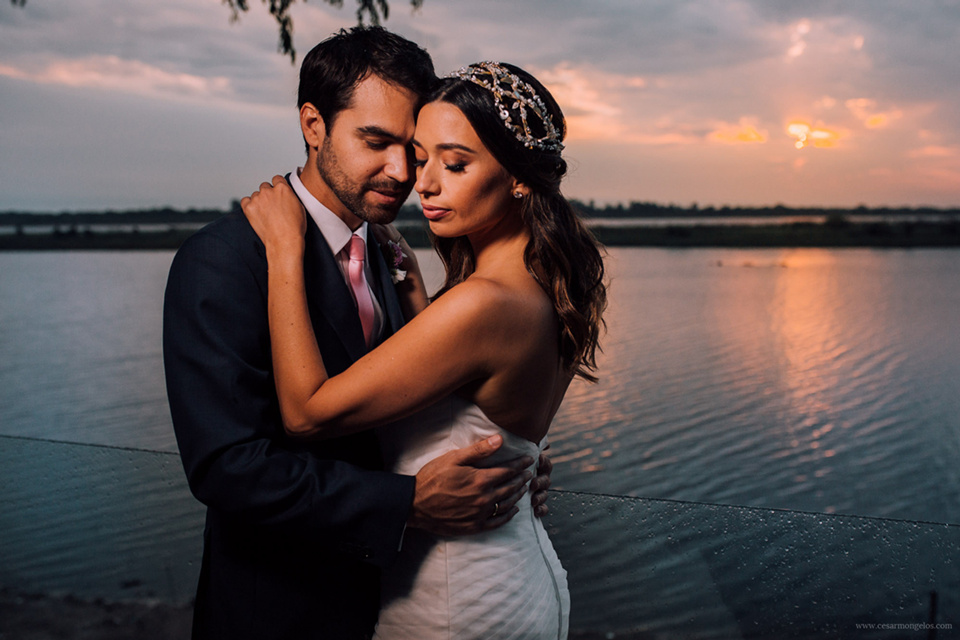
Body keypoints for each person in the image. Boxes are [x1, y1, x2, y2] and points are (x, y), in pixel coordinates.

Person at [163, 29, 553, 640]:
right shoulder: (224, 260)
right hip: (283, 612)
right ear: (314, 126)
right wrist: (407, 504)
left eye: (414, 151)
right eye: (376, 142)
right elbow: (227, 467)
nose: (401, 173)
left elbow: (408, 406)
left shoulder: (388, 252)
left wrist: (503, 466)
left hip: (402, 597)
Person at [241, 61, 607, 639]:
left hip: (457, 601)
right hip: (511, 575)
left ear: (518, 177)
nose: (425, 183)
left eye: (455, 163)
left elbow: (307, 413)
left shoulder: (484, 303)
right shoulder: (540, 281)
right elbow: (469, 403)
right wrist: (414, 290)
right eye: (422, 156)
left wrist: (285, 249)